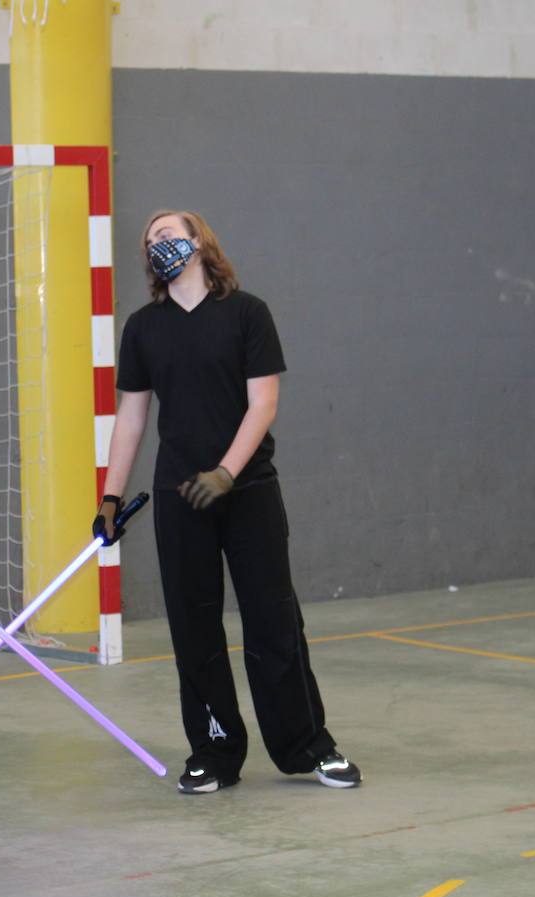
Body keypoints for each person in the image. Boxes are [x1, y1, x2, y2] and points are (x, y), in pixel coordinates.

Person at [93, 210, 362, 795]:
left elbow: (261, 403)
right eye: (149, 240)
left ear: (199, 241)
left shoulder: (247, 313)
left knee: (273, 618)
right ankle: (213, 752)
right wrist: (110, 495)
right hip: (178, 497)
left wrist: (225, 472)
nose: (158, 242)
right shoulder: (143, 326)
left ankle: (308, 746)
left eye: (169, 232)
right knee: (194, 628)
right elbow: (132, 416)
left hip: (248, 491)